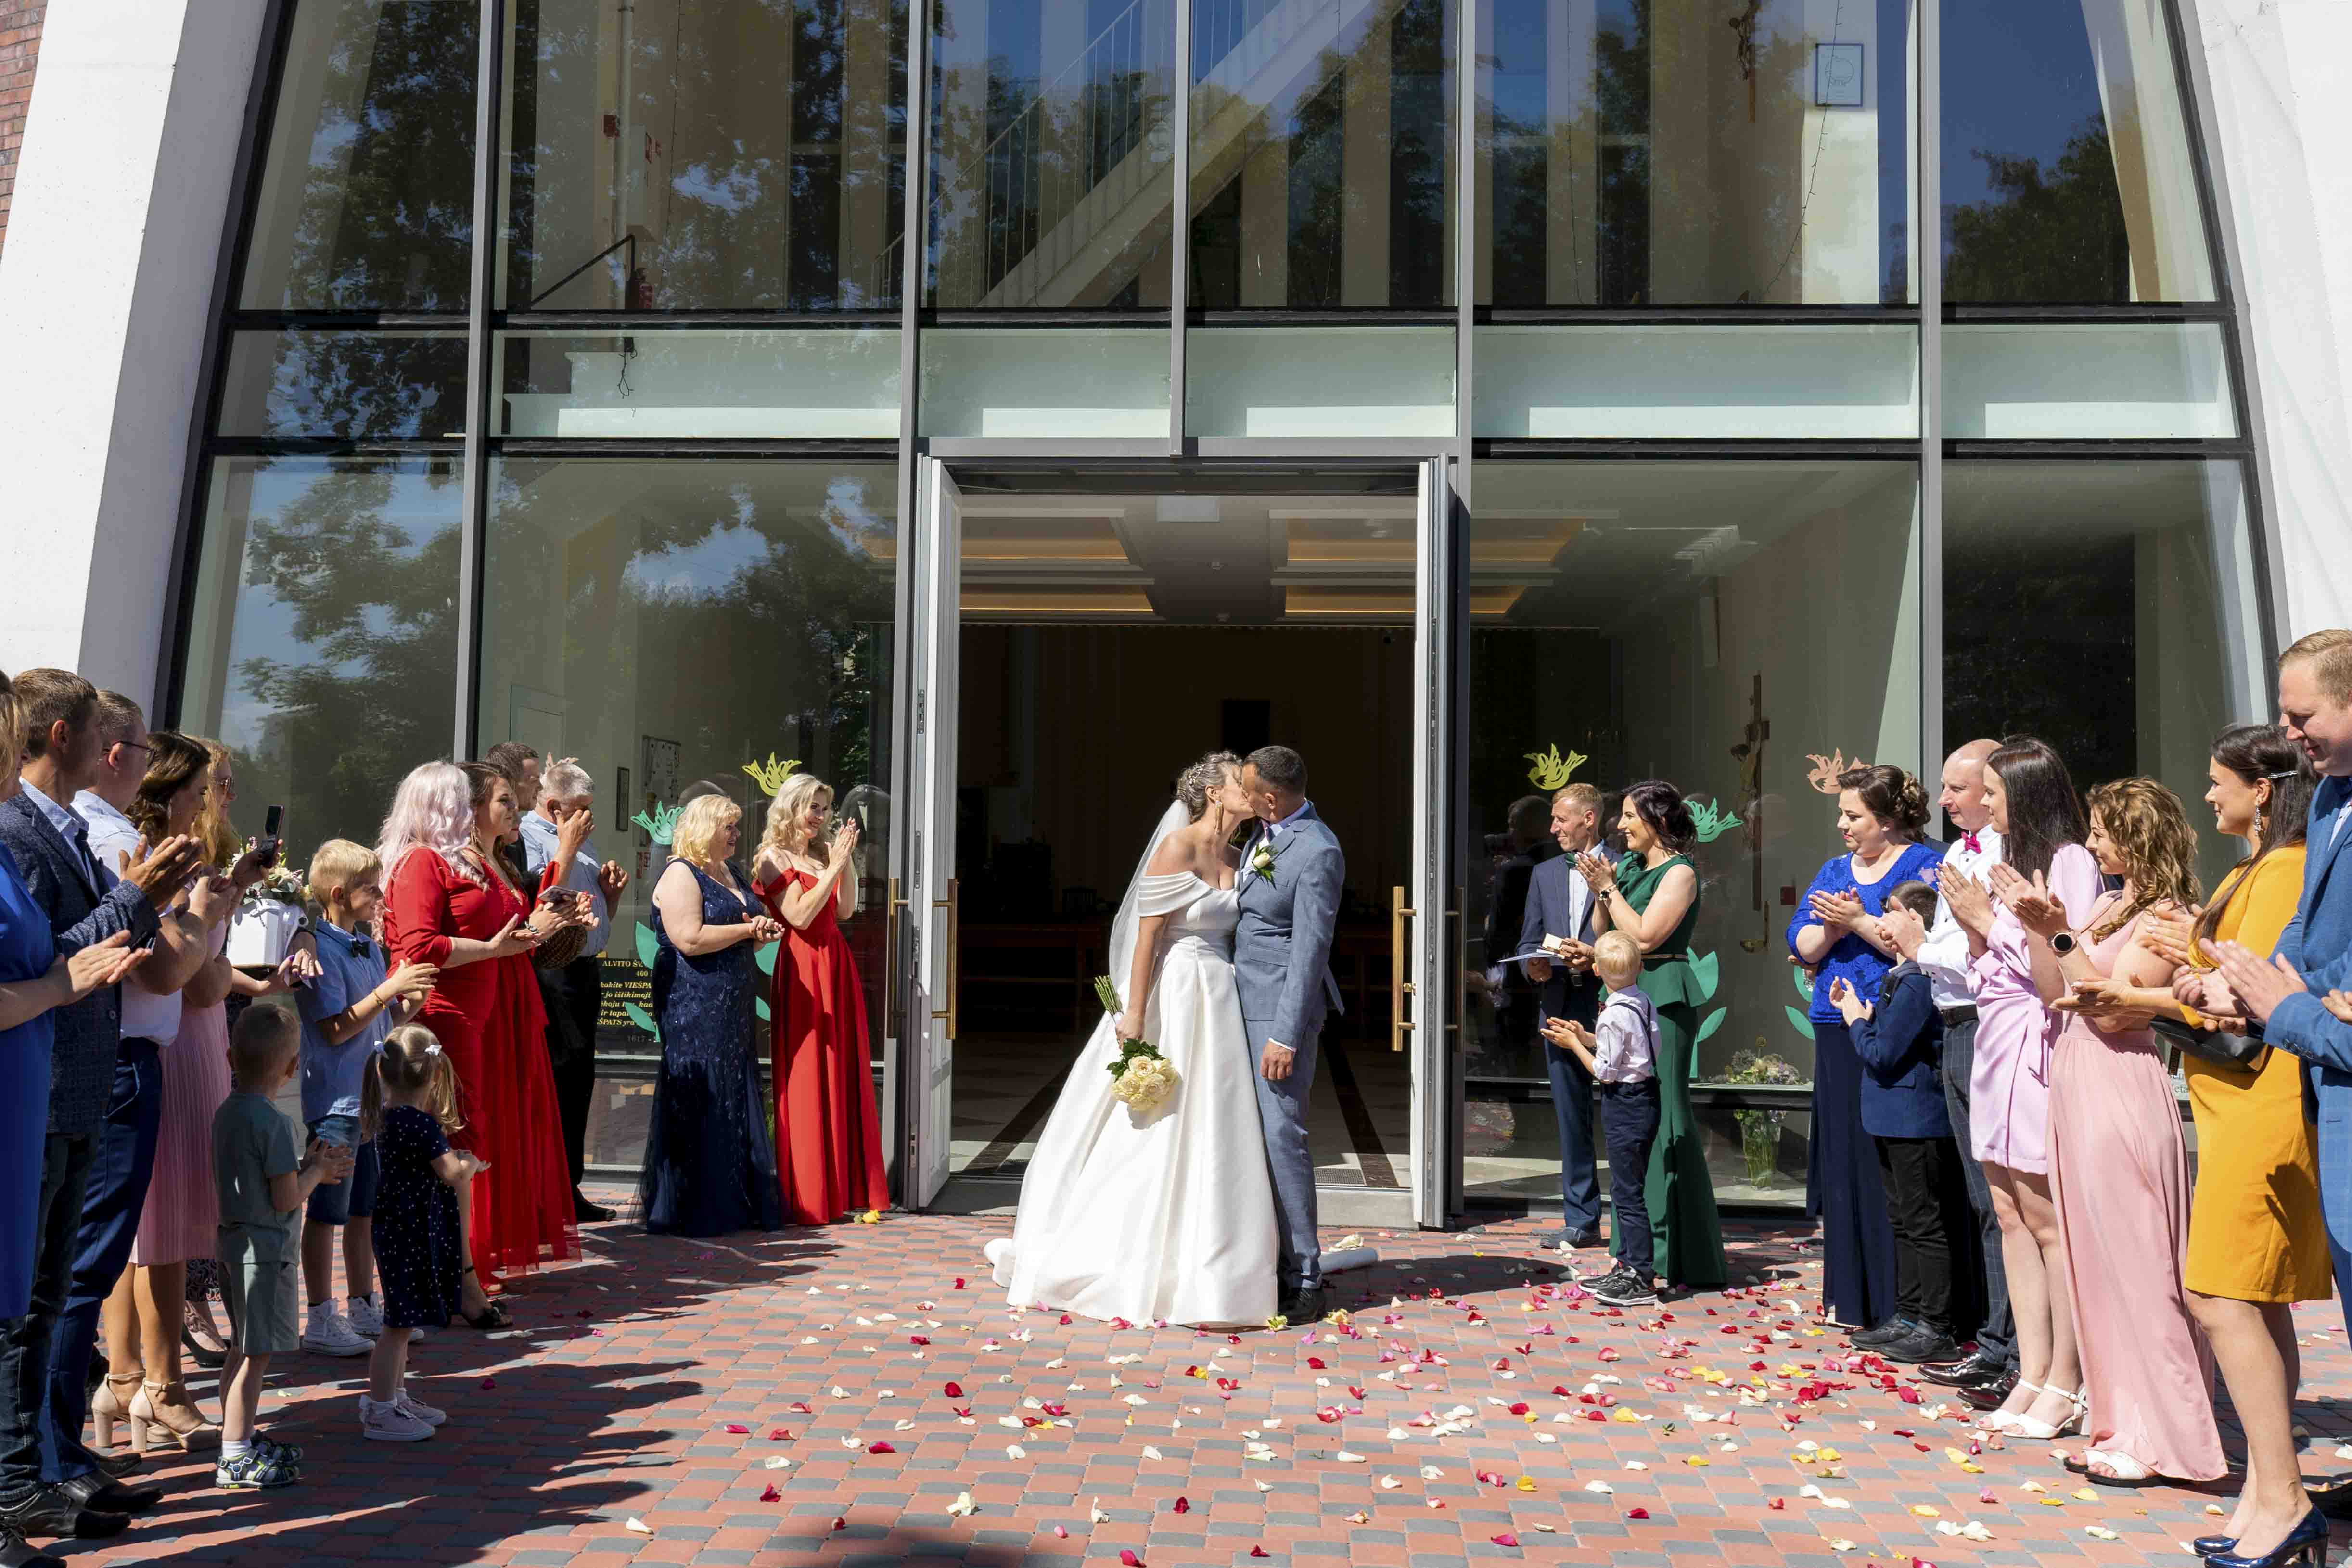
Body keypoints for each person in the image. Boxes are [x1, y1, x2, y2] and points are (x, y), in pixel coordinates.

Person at [0, 672, 207, 1554]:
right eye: (109, 735)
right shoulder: (17, 829)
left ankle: (47, 1461)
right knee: (43, 1292)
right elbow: (53, 962)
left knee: (57, 1289)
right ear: (66, 736)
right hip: (45, 1087)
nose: (127, 756)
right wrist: (138, 900)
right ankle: (30, 1470)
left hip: (75, 1079)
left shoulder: (59, 826)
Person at [984, 752, 1284, 1326]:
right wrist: (1135, 1013)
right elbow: (1147, 937)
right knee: (1156, 1119)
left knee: (1216, 1119)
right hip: (1175, 994)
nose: (1251, 789)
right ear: (1214, 792)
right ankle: (1129, 1248)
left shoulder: (1244, 854)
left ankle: (1215, 1260)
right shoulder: (1178, 848)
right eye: (1241, 782)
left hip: (1223, 998)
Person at [2124, 726, 2324, 1561]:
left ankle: (2282, 1492)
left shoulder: (2279, 868)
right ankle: (2268, 1488)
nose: (2208, 794)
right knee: (2251, 1296)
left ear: (2262, 789)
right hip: (2234, 1099)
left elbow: (2255, 988)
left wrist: (2191, 975)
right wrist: (2192, 960)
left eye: (2218, 780)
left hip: (2260, 1099)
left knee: (2216, 1294)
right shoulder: (2254, 867)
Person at [95, 733, 312, 1461]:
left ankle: (129, 1379)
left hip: (183, 1038)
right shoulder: (158, 862)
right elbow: (197, 979)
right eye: (209, 786)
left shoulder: (194, 864)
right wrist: (215, 939)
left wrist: (236, 890)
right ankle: (153, 1381)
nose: (219, 798)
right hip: (178, 1042)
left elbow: (208, 967)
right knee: (158, 1228)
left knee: (149, 1228)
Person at [2000, 777, 2222, 1487]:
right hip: (2077, 1080)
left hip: (2121, 1085)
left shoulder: (2170, 916)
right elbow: (2055, 990)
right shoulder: (2107, 903)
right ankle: (2120, 1419)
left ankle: (2164, 1434)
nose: (2092, 843)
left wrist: (2062, 933)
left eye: (2102, 831)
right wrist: (2041, 927)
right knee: (2095, 1263)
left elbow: (2111, 1008)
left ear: (2137, 835)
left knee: (2140, 1263)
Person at [2194, 629, 2352, 1548]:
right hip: (2318, 1096)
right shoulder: (2329, 797)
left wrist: (2282, 1003)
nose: (2289, 733)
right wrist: (2261, 989)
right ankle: (2277, 1502)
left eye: (2303, 714)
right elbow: (2299, 944)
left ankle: (2281, 1504)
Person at [379, 761, 581, 1326]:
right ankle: (461, 1280)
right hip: (440, 1017)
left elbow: (501, 930)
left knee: (463, 1143)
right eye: (460, 800)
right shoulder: (422, 861)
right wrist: (493, 949)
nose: (467, 812)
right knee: (454, 1144)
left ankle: (457, 1271)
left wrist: (540, 925)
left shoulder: (460, 861)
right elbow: (420, 946)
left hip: (473, 1015)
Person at [1942, 737, 2100, 1443]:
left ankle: (2067, 1376)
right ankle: (2031, 1370)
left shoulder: (2069, 861)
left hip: (2039, 1042)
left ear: (2027, 795)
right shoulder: (2005, 860)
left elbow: (2063, 972)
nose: (1985, 804)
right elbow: (1984, 972)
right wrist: (1976, 932)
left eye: (1996, 793)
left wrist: (1987, 924)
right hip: (1996, 1040)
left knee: (2047, 1218)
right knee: (2008, 1212)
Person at [1787, 764, 1944, 1335]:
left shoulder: (1924, 865)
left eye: (1853, 815)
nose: (1843, 824)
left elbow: (1917, 941)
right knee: (1843, 1160)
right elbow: (1801, 940)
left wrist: (1854, 919)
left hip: (1892, 1026)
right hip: (1834, 1025)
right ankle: (1850, 1298)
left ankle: (1898, 1302)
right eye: (1842, 814)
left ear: (1888, 818)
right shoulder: (1833, 869)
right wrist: (1831, 931)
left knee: (1890, 1168)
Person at [1581, 780, 1726, 1290]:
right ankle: (1632, 1255)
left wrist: (1609, 889)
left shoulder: (1679, 872)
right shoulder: (1630, 868)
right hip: (1628, 993)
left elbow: (1644, 936)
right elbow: (1606, 934)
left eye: (1629, 816)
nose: (1620, 826)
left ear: (1658, 820)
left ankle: (1669, 1256)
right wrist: (1601, 890)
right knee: (1633, 1131)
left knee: (1664, 1120)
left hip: (1664, 997)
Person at [294, 841, 435, 1357]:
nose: (380, 897)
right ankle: (319, 1316)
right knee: (326, 1211)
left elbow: (377, 1023)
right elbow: (334, 1029)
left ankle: (362, 1304)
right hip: (337, 1104)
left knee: (364, 1210)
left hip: (370, 1101)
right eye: (371, 889)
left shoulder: (369, 948)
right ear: (338, 894)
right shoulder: (317, 951)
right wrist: (388, 989)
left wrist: (407, 1005)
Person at [210, 1005, 352, 1489]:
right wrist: (318, 1171)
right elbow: (286, 1197)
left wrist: (304, 1165)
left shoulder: (227, 1113)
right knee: (257, 1355)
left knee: (240, 1348)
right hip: (265, 1252)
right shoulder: (273, 1122)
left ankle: (238, 1435)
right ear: (293, 1067)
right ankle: (234, 1454)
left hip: (233, 1244)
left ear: (231, 1057)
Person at [1828, 880, 1970, 1364]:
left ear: (1915, 920)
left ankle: (1936, 1324)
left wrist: (1855, 1019)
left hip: (1914, 1119)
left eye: (1890, 911)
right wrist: (1866, 1017)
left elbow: (1884, 1053)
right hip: (1892, 1116)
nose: (1881, 921)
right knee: (1904, 1220)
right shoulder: (1902, 976)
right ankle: (1909, 1314)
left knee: (1923, 1221)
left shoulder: (1918, 980)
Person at [1914, 739, 2015, 1404]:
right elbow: (1953, 942)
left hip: (1987, 1021)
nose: (1945, 799)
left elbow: (1983, 951)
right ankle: (1997, 1339)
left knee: (2003, 1199)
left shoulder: (2011, 854)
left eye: (1959, 787)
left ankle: (2012, 1348)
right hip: (1953, 1022)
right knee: (1983, 1196)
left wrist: (1917, 948)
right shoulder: (1958, 853)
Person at [1233, 745, 1346, 1322]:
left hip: (1277, 1009)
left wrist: (1286, 1034)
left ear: (1271, 798)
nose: (1242, 798)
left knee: (1283, 1135)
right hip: (1239, 1000)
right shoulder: (1262, 835)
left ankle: (1305, 1274)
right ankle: (1265, 1257)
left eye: (1248, 790)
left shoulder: (1318, 850)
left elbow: (1309, 950)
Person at [640, 795, 785, 1237]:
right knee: (704, 1090)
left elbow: (745, 935)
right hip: (695, 1000)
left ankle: (734, 1199)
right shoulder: (681, 873)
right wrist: (747, 929)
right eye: (729, 827)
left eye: (736, 827)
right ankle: (696, 1204)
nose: (736, 834)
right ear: (705, 828)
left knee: (732, 1088)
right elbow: (689, 938)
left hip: (733, 1002)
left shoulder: (731, 872)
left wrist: (760, 932)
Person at [754, 773, 888, 1228]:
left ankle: (843, 1188)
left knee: (840, 1068)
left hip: (836, 964)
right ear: (791, 807)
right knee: (809, 1072)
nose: (821, 816)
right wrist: (834, 867)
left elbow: (845, 909)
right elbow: (798, 915)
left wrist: (842, 862)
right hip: (803, 968)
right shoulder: (772, 857)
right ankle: (811, 1193)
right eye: (813, 806)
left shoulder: (821, 854)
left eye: (826, 808)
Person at [519, 759, 629, 1224]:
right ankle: (543, 1192)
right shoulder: (529, 838)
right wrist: (566, 847)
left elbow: (590, 918)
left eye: (590, 808)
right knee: (557, 1076)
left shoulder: (581, 840)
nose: (588, 818)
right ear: (553, 806)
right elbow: (540, 904)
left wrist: (610, 895)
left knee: (579, 1078)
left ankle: (568, 1187)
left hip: (585, 969)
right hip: (552, 972)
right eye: (579, 808)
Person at [358, 1025, 474, 1442]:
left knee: (403, 1322)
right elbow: (450, 1171)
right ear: (435, 1074)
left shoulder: (388, 1117)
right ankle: (380, 1408)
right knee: (397, 1325)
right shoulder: (420, 1123)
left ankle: (396, 1396)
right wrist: (470, 1163)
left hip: (395, 1229)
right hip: (408, 1233)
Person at [1539, 931, 1661, 1308]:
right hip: (1646, 1096)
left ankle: (1640, 1275)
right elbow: (1636, 1050)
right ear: (1640, 968)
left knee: (1627, 1194)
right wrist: (1588, 1036)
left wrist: (1575, 1044)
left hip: (1624, 1102)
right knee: (1627, 1188)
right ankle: (1625, 1266)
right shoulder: (1642, 1002)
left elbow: (1606, 1072)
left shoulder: (1611, 1015)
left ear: (1596, 971)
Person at [1518, 783, 1605, 1249]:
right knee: (1571, 1116)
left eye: (1561, 819)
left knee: (1626, 1110)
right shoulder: (1544, 872)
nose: (1553, 829)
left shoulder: (1624, 867)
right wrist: (1532, 964)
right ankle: (1582, 1219)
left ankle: (1636, 1220)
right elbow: (1528, 939)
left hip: (1608, 1001)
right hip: (1557, 1002)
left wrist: (1596, 958)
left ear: (1588, 819)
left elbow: (1637, 938)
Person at [1486, 793, 1559, 1085]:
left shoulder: (1515, 870)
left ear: (1533, 826)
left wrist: (1489, 968)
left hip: (1518, 975)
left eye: (1514, 825)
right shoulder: (1568, 862)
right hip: (1560, 971)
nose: (1511, 832)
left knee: (1517, 1053)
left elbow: (1498, 932)